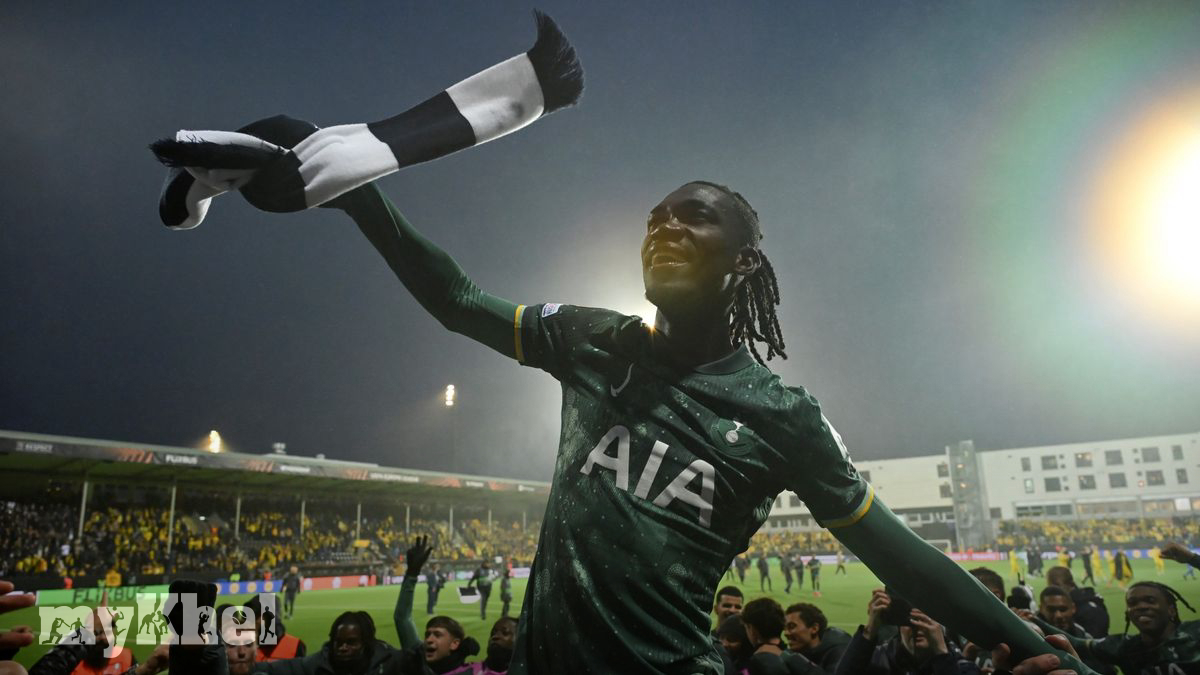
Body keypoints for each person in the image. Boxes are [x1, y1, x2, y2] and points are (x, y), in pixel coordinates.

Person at [222, 117, 1091, 673]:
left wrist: (1037, 650)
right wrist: (354, 193)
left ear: (744, 261)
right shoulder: (590, 340)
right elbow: (457, 299)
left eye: (693, 216)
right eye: (654, 219)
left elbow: (904, 559)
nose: (665, 226)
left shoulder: (783, 416)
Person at [1037, 581, 1200, 675]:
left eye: (1150, 600)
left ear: (1171, 610)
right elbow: (1076, 643)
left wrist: (1191, 558)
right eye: (1133, 603)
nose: (1141, 606)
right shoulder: (1124, 647)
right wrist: (1034, 620)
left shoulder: (1195, 632)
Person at [834, 589, 978, 675]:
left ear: (940, 623)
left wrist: (941, 655)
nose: (918, 627)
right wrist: (869, 630)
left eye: (926, 619)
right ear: (898, 625)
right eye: (909, 620)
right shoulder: (880, 660)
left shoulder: (960, 665)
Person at [784, 603, 851, 673]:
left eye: (792, 626)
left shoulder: (840, 652)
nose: (786, 633)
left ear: (814, 628)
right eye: (785, 628)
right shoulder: (802, 649)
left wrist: (797, 662)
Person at [1045, 566, 1109, 639]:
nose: (1053, 593)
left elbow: (1091, 640)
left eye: (1056, 587)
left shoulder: (1085, 609)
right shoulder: (1088, 598)